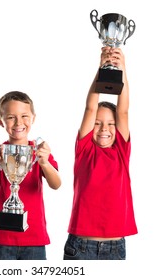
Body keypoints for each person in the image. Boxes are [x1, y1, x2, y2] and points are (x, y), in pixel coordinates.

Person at [63, 47, 138, 260]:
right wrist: (101, 69)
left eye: (111, 124)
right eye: (98, 123)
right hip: (80, 246)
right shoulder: (84, 150)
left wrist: (121, 69)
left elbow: (123, 110)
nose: (104, 129)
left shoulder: (121, 152)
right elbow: (90, 107)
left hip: (115, 247)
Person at [0, 91, 61, 260]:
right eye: (10, 117)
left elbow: (56, 184)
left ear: (33, 118)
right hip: (0, 236)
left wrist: (44, 162)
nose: (18, 123)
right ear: (0, 121)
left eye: (24, 116)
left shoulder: (39, 151)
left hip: (34, 237)